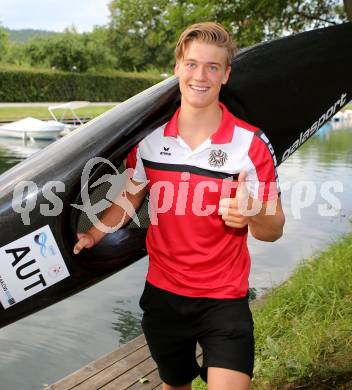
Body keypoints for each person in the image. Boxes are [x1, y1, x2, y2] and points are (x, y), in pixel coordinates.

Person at [74, 22, 285, 390]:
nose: (200, 76)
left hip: (224, 299)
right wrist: (94, 233)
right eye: (191, 64)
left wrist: (253, 213)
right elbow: (130, 196)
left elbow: (274, 230)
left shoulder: (251, 145)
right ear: (177, 67)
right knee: (176, 385)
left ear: (226, 74)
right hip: (164, 297)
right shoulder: (149, 142)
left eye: (212, 67)